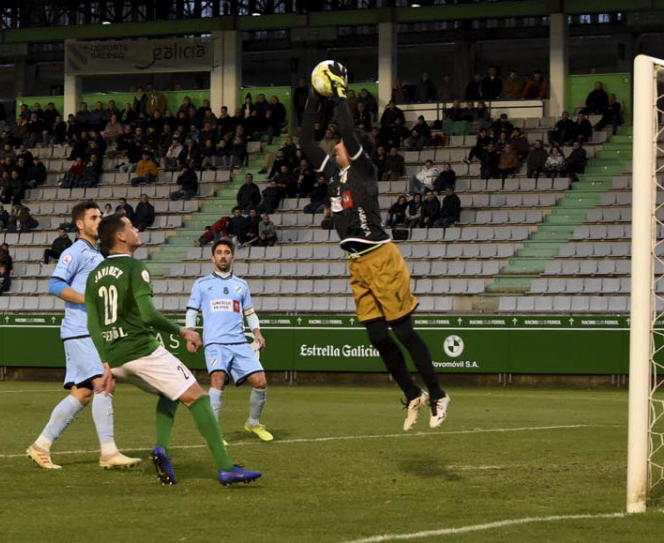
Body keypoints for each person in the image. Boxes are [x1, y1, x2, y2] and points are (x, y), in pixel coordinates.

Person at [299, 64, 449, 430]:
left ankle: (438, 393)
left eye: (339, 146)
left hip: (381, 257)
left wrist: (338, 95)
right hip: (357, 264)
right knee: (378, 337)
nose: (334, 147)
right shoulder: (333, 173)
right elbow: (305, 142)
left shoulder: (365, 168)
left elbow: (348, 129)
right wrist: (312, 101)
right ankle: (413, 394)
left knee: (403, 331)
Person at [86, 213, 262, 486]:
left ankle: (162, 450)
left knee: (171, 393)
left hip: (116, 356)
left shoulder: (95, 275)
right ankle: (227, 467)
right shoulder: (135, 268)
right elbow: (148, 315)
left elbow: (93, 323)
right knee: (199, 397)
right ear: (120, 236)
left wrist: (106, 363)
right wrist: (183, 330)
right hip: (141, 350)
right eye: (131, 226)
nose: (136, 229)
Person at [26, 202, 140, 471]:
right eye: (93, 217)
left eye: (100, 216)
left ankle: (41, 446)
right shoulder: (74, 252)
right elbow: (55, 285)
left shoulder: (96, 255)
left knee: (82, 394)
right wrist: (88, 300)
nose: (99, 221)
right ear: (80, 224)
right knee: (103, 382)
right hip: (79, 330)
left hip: (89, 331)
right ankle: (109, 452)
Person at [186, 239, 272, 444]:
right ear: (212, 257)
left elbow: (249, 312)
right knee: (218, 379)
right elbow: (191, 311)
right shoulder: (202, 284)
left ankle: (253, 423)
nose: (223, 255)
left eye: (226, 252)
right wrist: (190, 333)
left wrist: (257, 332)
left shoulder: (241, 285)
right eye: (219, 252)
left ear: (232, 257)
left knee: (261, 383)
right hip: (215, 342)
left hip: (240, 342)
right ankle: (214, 433)